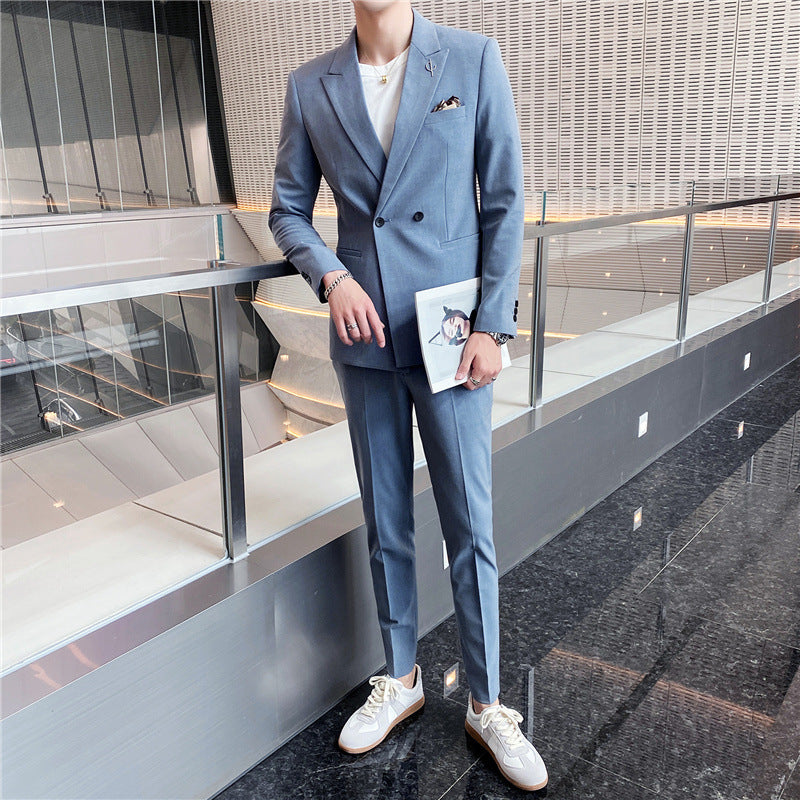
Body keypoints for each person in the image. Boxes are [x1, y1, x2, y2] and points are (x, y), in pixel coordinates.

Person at [268, 0, 548, 791]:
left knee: (470, 523)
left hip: (453, 337)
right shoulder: (310, 85)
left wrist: (494, 324)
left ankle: (488, 703)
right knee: (385, 519)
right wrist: (332, 276)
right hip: (365, 336)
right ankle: (401, 675)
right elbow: (288, 209)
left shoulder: (471, 58)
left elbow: (503, 197)